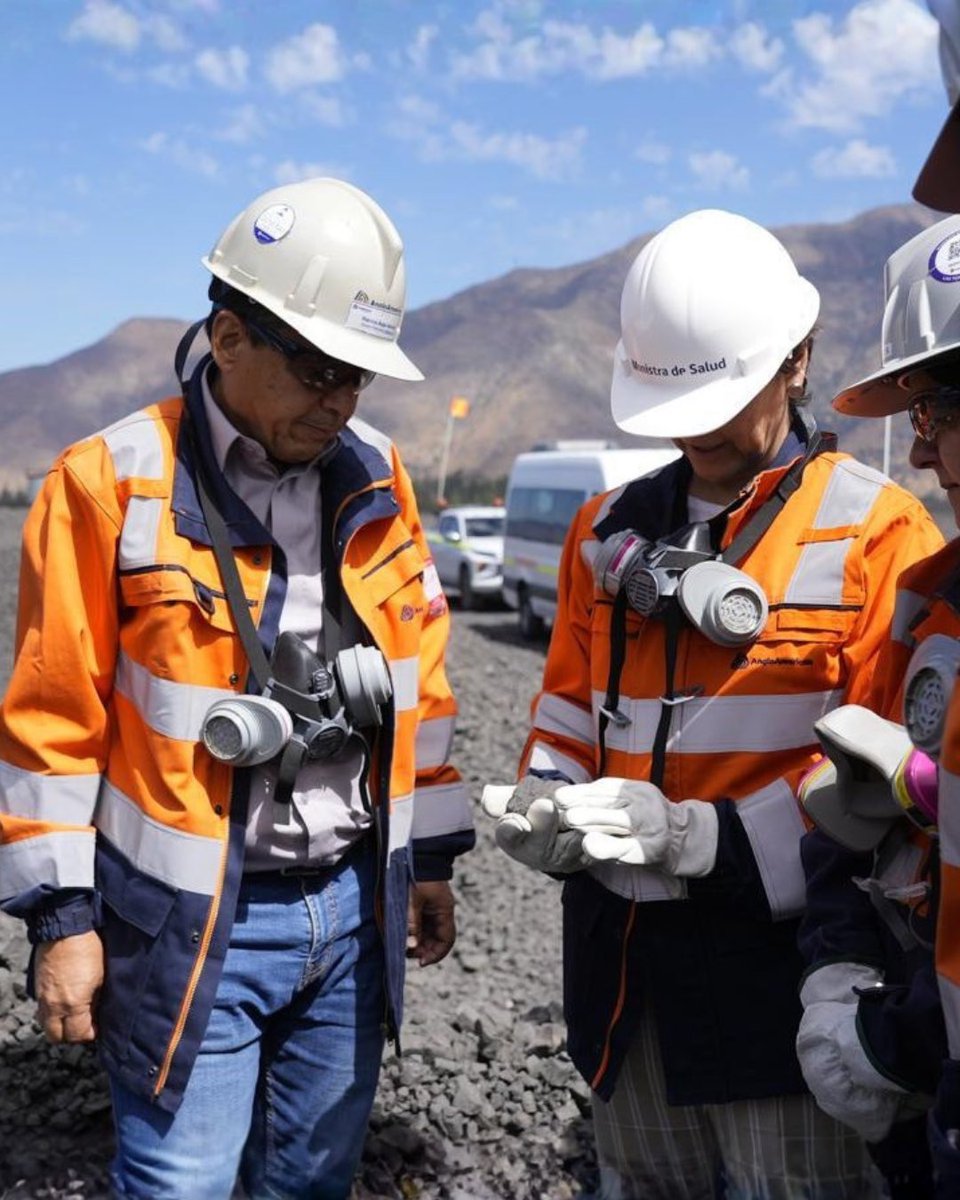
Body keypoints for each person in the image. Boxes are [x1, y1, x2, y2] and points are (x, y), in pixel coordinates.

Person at [0, 177, 474, 1200]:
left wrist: (426, 857)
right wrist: (62, 922)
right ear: (227, 335)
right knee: (181, 1184)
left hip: (352, 913)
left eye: (358, 376)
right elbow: (52, 723)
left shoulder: (381, 477)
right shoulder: (108, 483)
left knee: (312, 1181)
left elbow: (420, 685)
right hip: (191, 925)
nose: (340, 400)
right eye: (317, 368)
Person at [481, 208, 944, 1199]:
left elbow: (884, 792)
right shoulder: (604, 529)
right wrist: (545, 800)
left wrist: (698, 839)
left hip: (777, 990)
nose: (699, 431)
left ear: (798, 361)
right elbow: (567, 709)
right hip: (624, 991)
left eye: (723, 402)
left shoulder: (876, 536)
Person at [794, 215, 960, 1199]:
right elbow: (856, 807)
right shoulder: (933, 599)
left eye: (938, 412)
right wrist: (841, 972)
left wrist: (898, 1036)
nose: (928, 453)